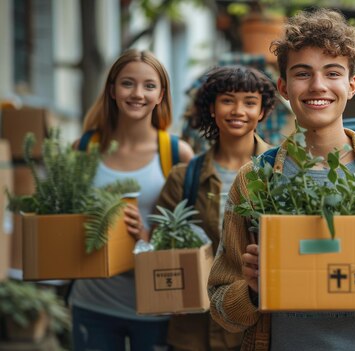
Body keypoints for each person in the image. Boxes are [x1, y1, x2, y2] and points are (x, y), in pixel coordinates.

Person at [208, 8, 355, 351]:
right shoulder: (255, 178)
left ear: (351, 84)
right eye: (303, 74)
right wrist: (252, 290)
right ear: (284, 87)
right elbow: (221, 306)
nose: (318, 86)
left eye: (332, 73)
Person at [69, 49, 194, 350]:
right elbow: (66, 218)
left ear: (161, 94)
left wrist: (149, 237)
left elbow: (193, 233)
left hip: (157, 304)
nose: (138, 93)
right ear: (112, 90)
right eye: (127, 83)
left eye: (149, 85)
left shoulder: (177, 154)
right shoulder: (84, 149)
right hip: (93, 303)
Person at [155, 65, 276, 351]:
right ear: (212, 107)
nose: (238, 110)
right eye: (227, 100)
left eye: (249, 102)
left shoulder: (283, 171)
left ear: (261, 112)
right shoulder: (185, 177)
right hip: (195, 327)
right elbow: (163, 243)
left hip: (260, 323)